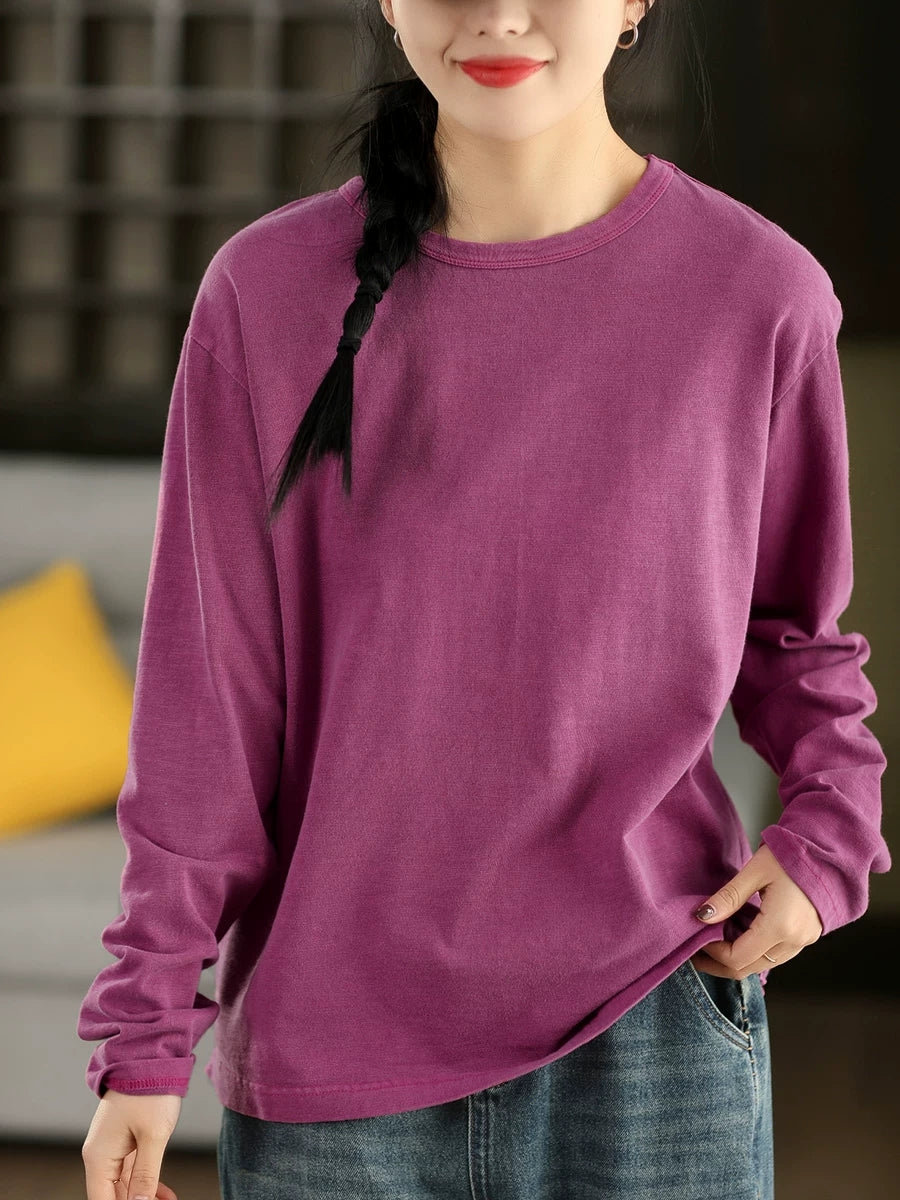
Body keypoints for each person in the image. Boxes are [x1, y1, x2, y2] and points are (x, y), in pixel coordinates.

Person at [79, 3, 891, 1199]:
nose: (499, 14)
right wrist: (144, 1028)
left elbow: (797, 637)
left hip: (654, 1029)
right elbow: (208, 707)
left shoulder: (760, 292)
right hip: (331, 1068)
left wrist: (828, 836)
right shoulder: (263, 293)